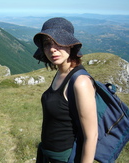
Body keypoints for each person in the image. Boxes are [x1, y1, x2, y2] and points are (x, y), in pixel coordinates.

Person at [33, 17, 98, 163]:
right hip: (47, 154)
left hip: (64, 158)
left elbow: (91, 135)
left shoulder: (80, 82)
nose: (52, 49)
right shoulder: (61, 73)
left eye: (58, 42)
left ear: (70, 45)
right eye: (47, 44)